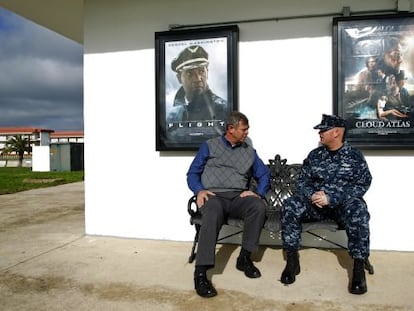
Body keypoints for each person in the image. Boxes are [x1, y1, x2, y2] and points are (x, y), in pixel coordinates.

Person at [280, 114, 372, 295]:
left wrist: (332, 197)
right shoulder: (315, 155)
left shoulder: (354, 156)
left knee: (359, 211)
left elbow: (363, 183)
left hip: (341, 207)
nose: (320, 133)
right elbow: (301, 182)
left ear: (336, 132)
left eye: (323, 130)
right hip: (316, 206)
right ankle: (292, 261)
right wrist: (312, 194)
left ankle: (359, 269)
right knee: (291, 204)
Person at [187, 111, 270, 298]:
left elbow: (263, 174)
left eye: (247, 129)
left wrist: (258, 193)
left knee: (257, 206)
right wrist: (199, 190)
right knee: (213, 211)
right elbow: (192, 173)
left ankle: (245, 258)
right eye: (244, 129)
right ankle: (200, 273)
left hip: (237, 197)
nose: (247, 133)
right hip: (213, 195)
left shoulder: (249, 151)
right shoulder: (209, 146)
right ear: (231, 129)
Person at [167, 45, 228, 123]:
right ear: (179, 78)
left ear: (207, 73)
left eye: (201, 71)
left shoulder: (223, 109)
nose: (198, 78)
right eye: (190, 73)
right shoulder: (172, 115)